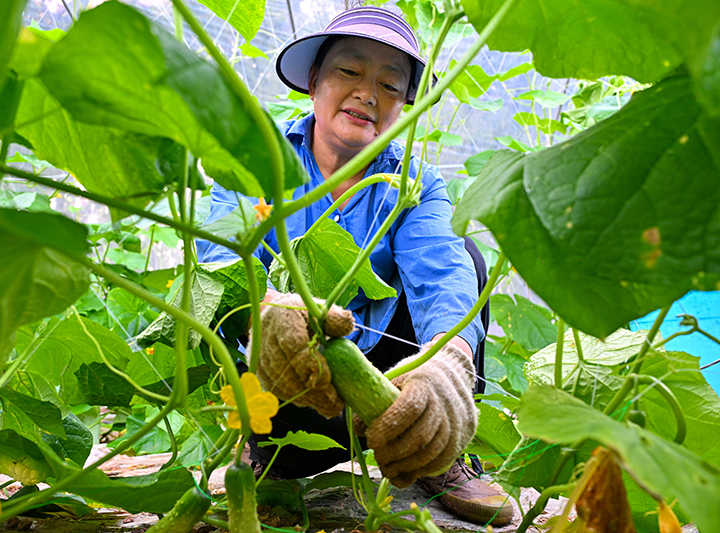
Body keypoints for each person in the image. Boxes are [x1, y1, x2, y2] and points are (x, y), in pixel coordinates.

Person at [196, 6, 513, 526]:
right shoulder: (256, 156)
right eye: (349, 71)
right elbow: (219, 262)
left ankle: (437, 452)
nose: (368, 93)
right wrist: (267, 314)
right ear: (314, 81)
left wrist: (449, 366)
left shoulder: (415, 182)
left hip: (393, 396)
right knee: (242, 309)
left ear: (404, 106)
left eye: (390, 85)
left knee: (466, 256)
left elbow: (442, 273)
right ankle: (262, 455)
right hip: (289, 392)